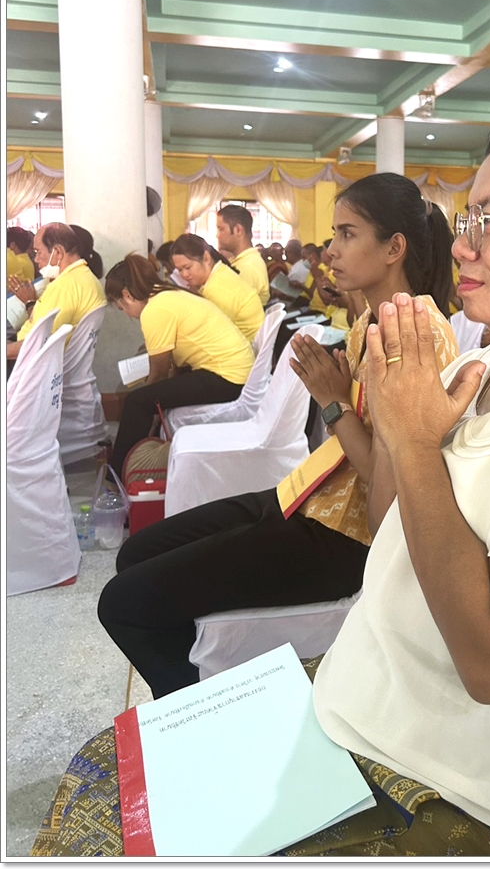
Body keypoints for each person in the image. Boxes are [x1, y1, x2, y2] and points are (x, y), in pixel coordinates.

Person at [33, 109, 490, 858]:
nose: (460, 243)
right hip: (368, 702)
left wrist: (414, 439)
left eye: (488, 220)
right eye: (467, 217)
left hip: (449, 781)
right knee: (106, 772)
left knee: (99, 833)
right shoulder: (484, 369)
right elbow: (397, 526)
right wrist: (395, 421)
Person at [96, 172, 458, 699]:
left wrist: (332, 402)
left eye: (347, 234)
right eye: (334, 234)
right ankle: (193, 701)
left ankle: (195, 714)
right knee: (136, 555)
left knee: (124, 603)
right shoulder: (374, 321)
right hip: (308, 497)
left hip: (343, 538)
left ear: (393, 248)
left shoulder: (412, 334)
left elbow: (392, 489)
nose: (330, 250)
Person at [106, 254, 255, 478]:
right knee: (150, 398)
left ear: (126, 295)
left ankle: (116, 477)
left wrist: (148, 391)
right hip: (236, 371)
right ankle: (145, 464)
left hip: (227, 377)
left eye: (121, 307)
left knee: (137, 402)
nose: (126, 314)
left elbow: (159, 371)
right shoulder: (169, 293)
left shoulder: (155, 310)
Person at [6, 223, 106, 361]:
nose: (35, 259)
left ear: (57, 252)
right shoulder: (85, 277)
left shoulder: (64, 287)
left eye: (38, 252)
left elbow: (38, 344)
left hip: (38, 364)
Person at [171, 233, 265, 342]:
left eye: (188, 267)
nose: (184, 275)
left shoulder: (217, 287)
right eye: (180, 270)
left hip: (243, 348)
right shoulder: (220, 274)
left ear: (206, 258)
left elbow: (211, 333)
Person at [215, 204, 270, 306]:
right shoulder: (241, 261)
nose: (217, 235)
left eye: (221, 229)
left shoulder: (247, 267)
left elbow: (229, 308)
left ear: (238, 230)